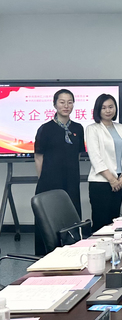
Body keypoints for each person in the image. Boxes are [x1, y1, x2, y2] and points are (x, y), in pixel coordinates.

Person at [34, 89, 85, 254]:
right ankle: (44, 257)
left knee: (71, 217)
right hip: (49, 181)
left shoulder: (78, 128)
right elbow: (38, 157)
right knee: (47, 219)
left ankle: (72, 254)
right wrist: (42, 179)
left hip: (71, 181)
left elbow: (77, 154)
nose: (66, 106)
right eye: (62, 102)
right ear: (54, 104)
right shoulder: (45, 129)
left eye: (70, 102)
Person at [86, 94, 122, 232]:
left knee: (114, 221)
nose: (108, 110)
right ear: (98, 110)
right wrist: (112, 180)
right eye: (103, 108)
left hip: (119, 182)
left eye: (111, 107)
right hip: (101, 183)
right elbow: (95, 157)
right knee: (101, 223)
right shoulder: (92, 129)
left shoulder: (121, 128)